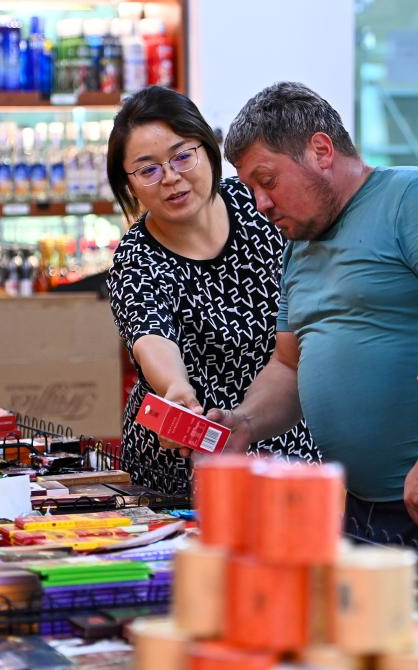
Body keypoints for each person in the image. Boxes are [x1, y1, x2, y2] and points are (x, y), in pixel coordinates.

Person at [208, 82, 418, 586]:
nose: (261, 204)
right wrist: (246, 422)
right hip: (368, 506)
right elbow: (289, 366)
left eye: (268, 180)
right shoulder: (300, 247)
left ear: (321, 151)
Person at [104, 86, 316, 496]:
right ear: (129, 185)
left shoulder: (259, 206)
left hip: (284, 443)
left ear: (208, 148)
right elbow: (150, 337)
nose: (170, 178)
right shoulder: (136, 257)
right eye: (148, 170)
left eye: (183, 156)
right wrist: (175, 389)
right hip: (184, 466)